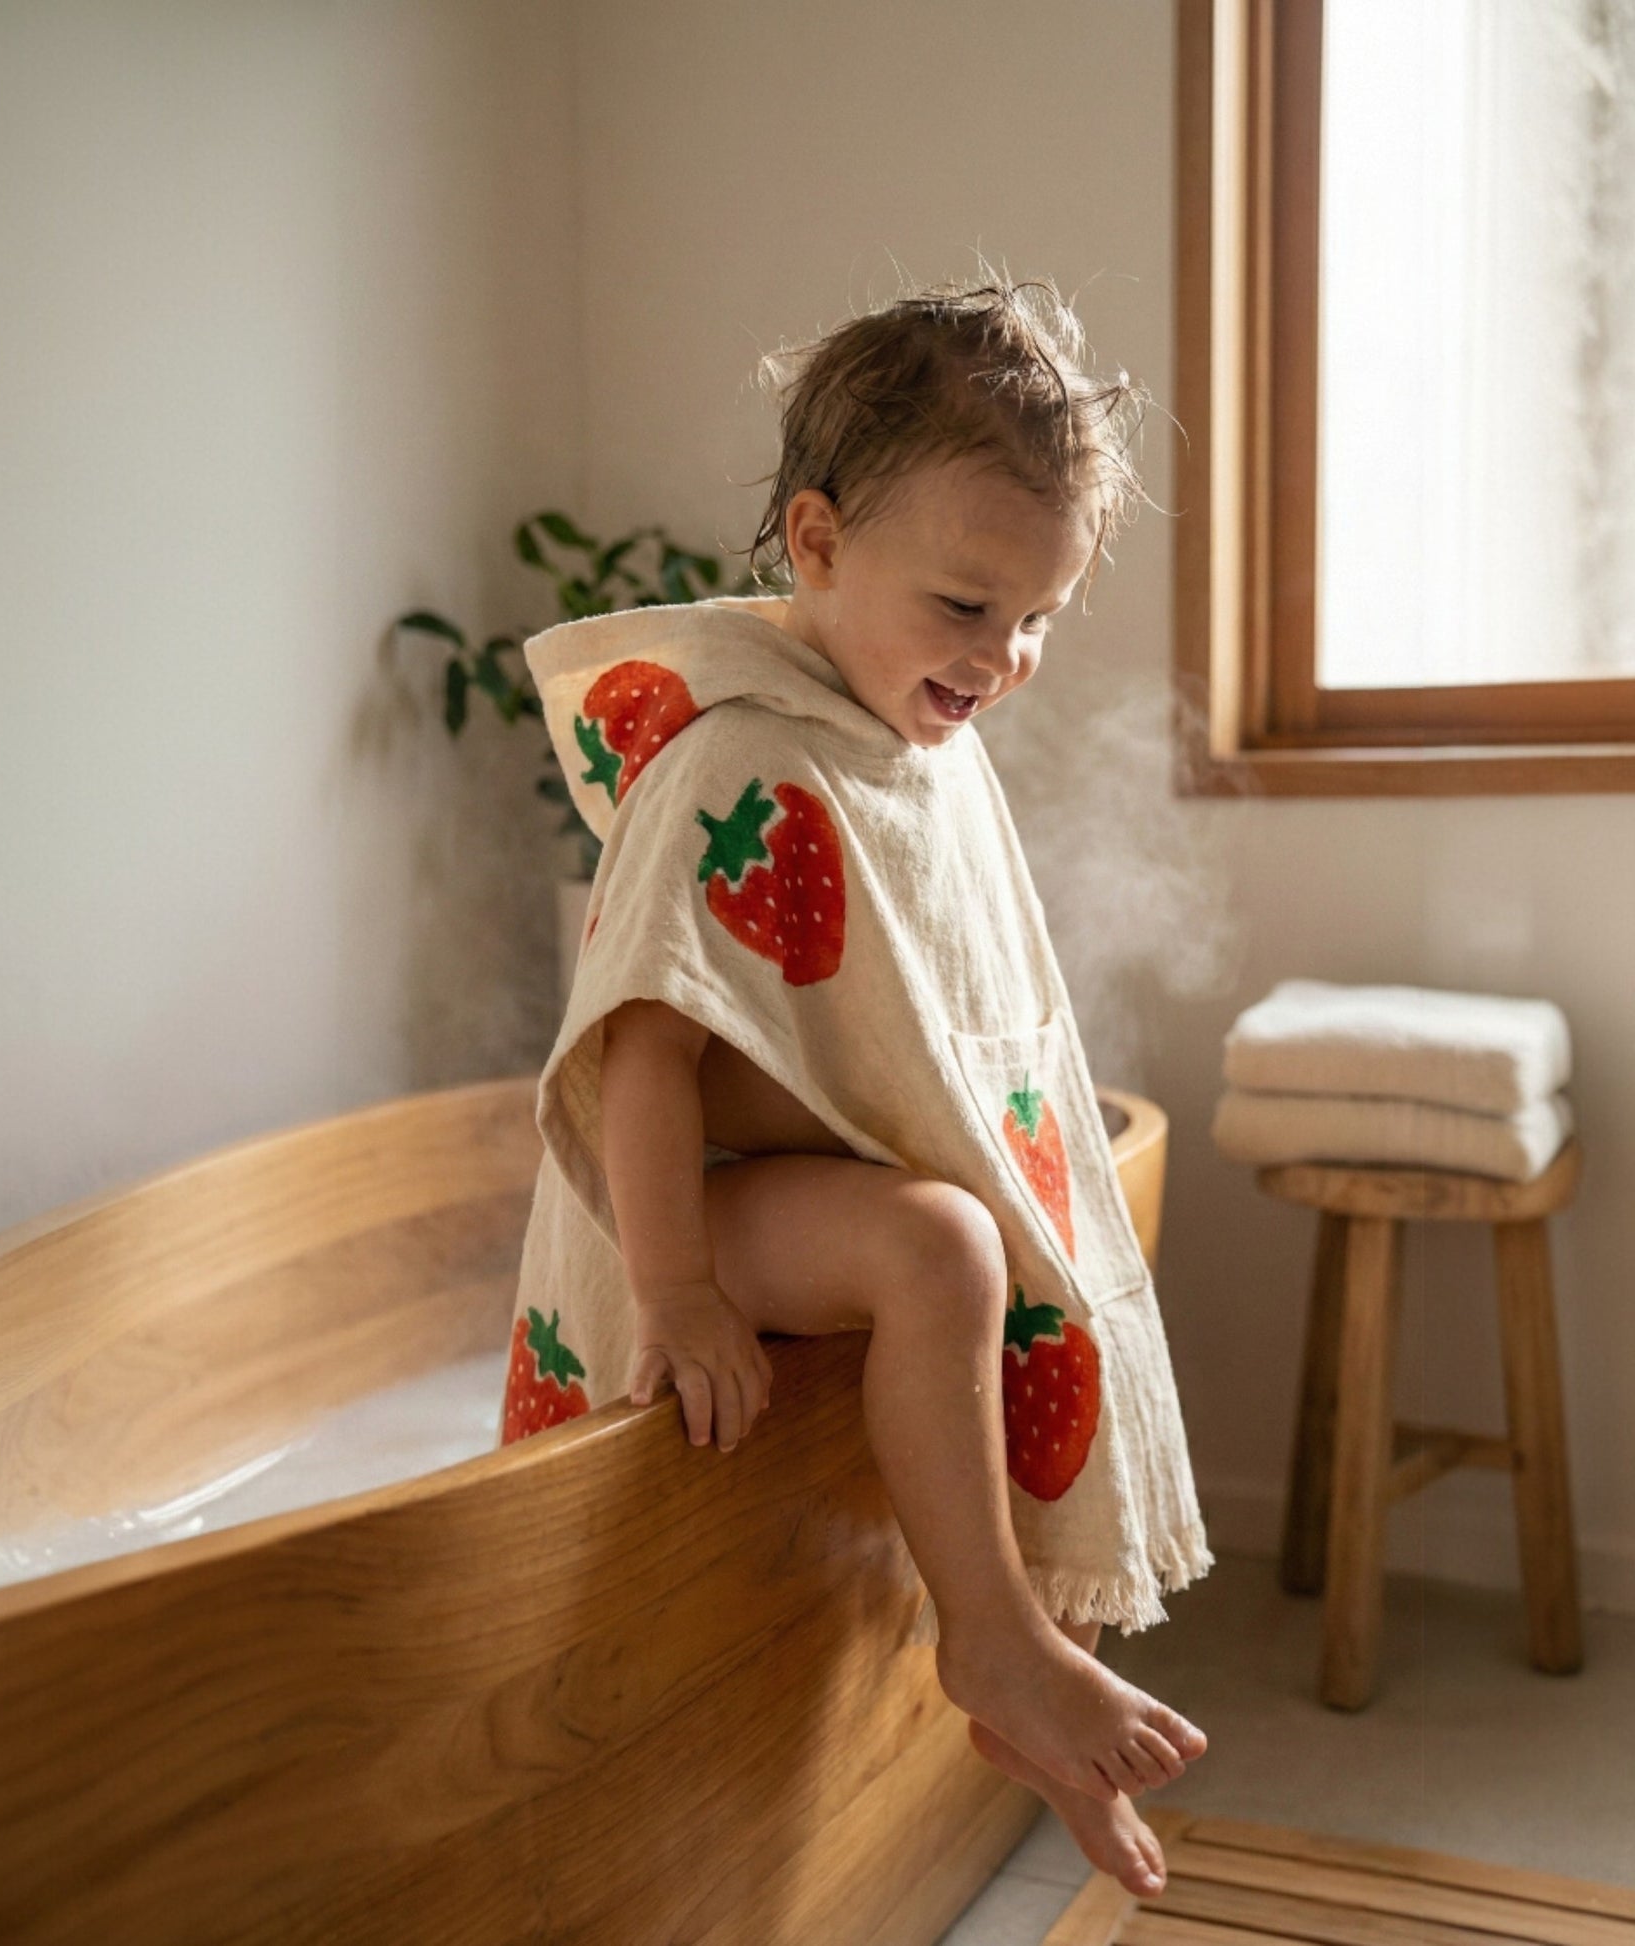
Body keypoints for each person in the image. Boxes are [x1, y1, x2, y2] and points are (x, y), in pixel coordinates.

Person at [500, 270, 1212, 1899]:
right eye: (967, 606)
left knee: (1052, 1286)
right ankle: (992, 1647)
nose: (1006, 655)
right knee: (945, 1250)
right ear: (816, 545)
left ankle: (1039, 1702)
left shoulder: (912, 743)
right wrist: (675, 1287)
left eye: (1036, 616)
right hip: (687, 1216)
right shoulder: (737, 756)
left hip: (778, 1202)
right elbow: (641, 1040)